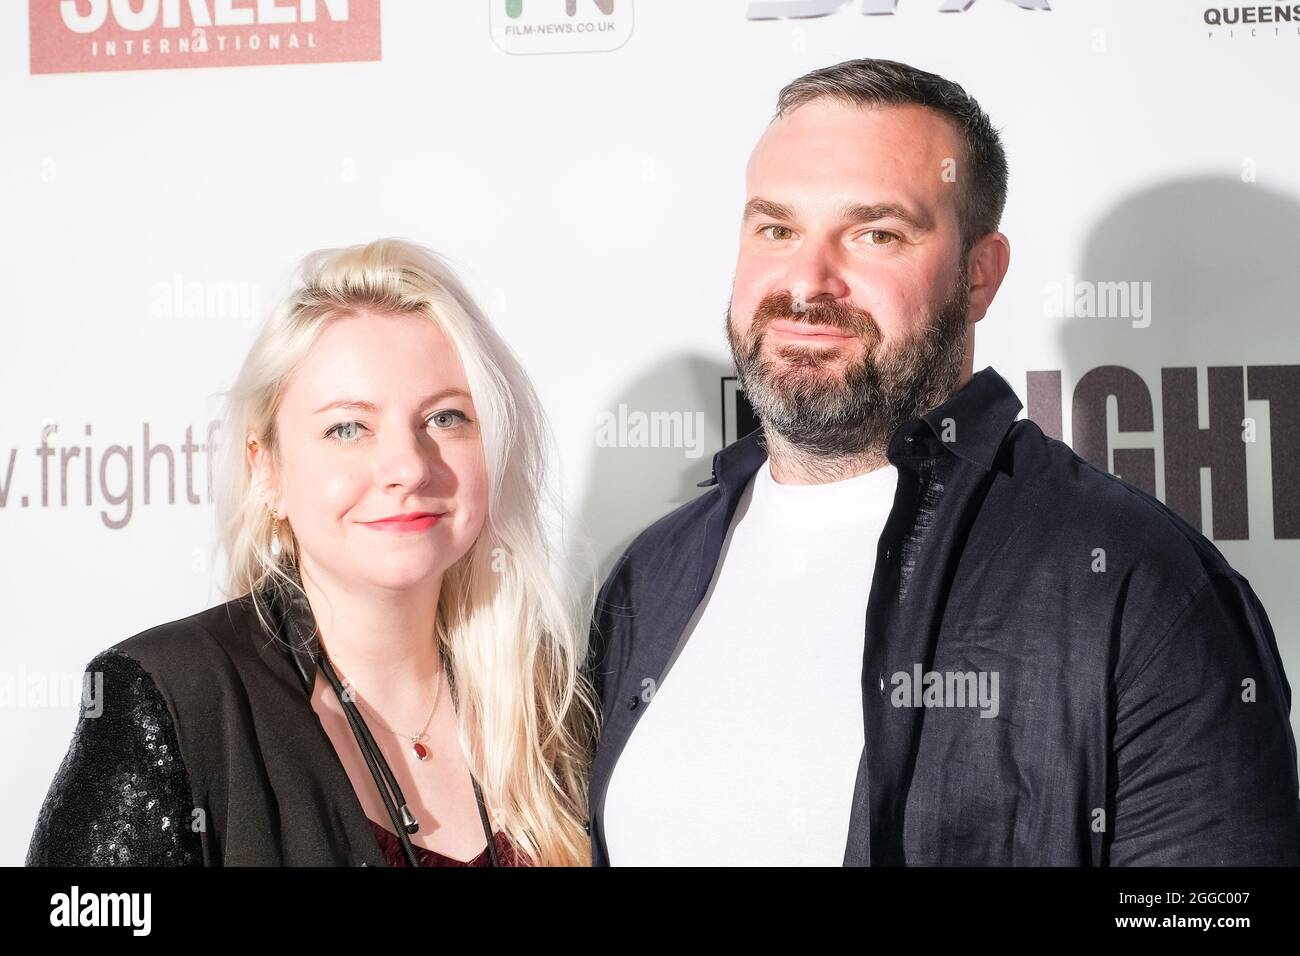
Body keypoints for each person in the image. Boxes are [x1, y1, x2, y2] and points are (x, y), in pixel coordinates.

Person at [584, 58, 1300, 866]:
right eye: (777, 228)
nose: (807, 283)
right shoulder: (651, 576)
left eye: (876, 233)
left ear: (980, 274)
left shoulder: (1137, 581)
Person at [27, 238, 597, 867]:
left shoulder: (554, 706)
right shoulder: (168, 699)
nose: (407, 466)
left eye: (445, 419)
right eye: (347, 428)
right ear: (265, 468)